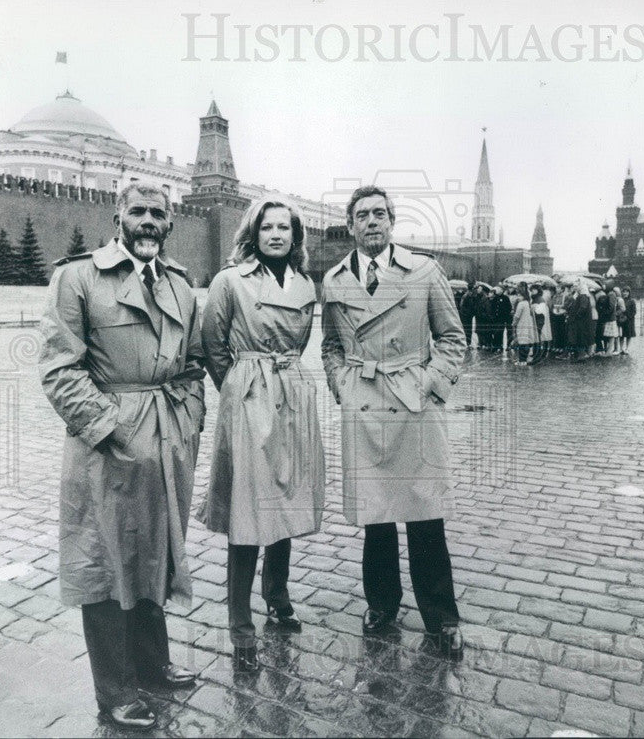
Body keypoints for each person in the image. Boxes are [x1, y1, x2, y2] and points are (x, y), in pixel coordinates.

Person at [39, 183, 205, 730]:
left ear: (171, 223)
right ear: (118, 217)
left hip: (166, 440)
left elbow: (193, 365)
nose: (149, 221)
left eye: (159, 213)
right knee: (105, 561)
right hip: (105, 446)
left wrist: (186, 421)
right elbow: (61, 368)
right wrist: (110, 429)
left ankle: (153, 665)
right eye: (138, 211)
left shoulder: (182, 286)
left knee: (155, 548)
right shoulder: (78, 276)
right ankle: (114, 690)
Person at [321, 185, 467, 656]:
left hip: (414, 405)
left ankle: (441, 617)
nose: (372, 222)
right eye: (362, 215)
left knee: (425, 516)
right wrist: (342, 383)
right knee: (376, 516)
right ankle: (382, 603)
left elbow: (452, 338)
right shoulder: (335, 280)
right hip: (363, 402)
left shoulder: (423, 271)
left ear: (392, 220)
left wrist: (429, 385)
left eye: (380, 214)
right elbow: (330, 345)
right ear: (351, 225)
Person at [198, 198, 325, 672]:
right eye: (266, 226)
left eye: (284, 227)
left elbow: (302, 341)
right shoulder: (229, 280)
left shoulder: (305, 284)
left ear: (296, 236)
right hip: (250, 394)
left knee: (286, 495)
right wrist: (239, 390)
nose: (276, 234)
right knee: (249, 507)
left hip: (292, 391)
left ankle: (277, 595)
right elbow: (212, 346)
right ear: (253, 233)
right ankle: (239, 620)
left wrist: (282, 377)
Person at [512, 282, 539, 365]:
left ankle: (522, 360)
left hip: (521, 325)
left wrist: (513, 323)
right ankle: (523, 359)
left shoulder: (521, 304)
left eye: (519, 295)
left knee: (521, 343)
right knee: (525, 342)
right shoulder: (527, 303)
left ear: (523, 296)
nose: (518, 297)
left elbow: (517, 316)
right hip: (527, 324)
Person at [488, 285, 513, 352]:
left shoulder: (505, 298)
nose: (497, 290)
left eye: (499, 289)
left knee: (500, 332)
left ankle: (500, 346)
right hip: (495, 318)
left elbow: (509, 308)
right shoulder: (495, 298)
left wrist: (505, 315)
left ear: (502, 290)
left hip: (502, 319)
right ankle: (496, 346)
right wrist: (492, 315)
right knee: (495, 332)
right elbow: (492, 307)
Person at [531, 285, 552, 360]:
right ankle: (537, 352)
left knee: (540, 337)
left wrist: (534, 308)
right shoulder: (534, 298)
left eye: (534, 289)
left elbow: (540, 311)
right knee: (537, 337)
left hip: (540, 321)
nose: (533, 291)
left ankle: (540, 353)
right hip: (537, 320)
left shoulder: (540, 299)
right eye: (532, 289)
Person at [619, 286, 638, 354]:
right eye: (624, 291)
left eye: (627, 292)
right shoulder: (621, 300)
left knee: (628, 335)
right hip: (622, 320)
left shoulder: (632, 301)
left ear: (629, 293)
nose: (625, 293)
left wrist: (628, 316)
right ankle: (620, 348)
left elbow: (634, 311)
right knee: (621, 335)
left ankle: (627, 348)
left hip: (629, 321)